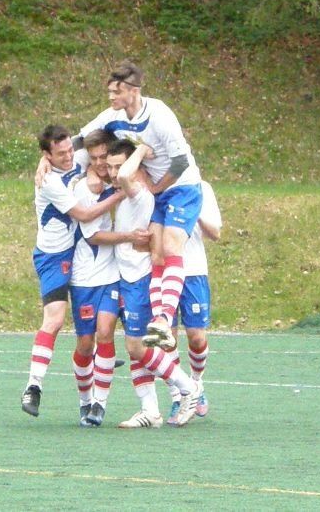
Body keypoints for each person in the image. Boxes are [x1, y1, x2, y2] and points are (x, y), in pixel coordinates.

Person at [76, 61, 202, 351]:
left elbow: (180, 162)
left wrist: (157, 188)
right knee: (156, 255)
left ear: (133, 91)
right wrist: (47, 158)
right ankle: (162, 323)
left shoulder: (159, 115)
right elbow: (81, 140)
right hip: (154, 192)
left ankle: (164, 318)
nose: (111, 97)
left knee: (170, 245)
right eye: (109, 91)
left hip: (181, 187)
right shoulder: (113, 116)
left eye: (116, 91)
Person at [21, 125, 124, 417]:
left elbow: (100, 131)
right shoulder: (48, 181)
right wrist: (119, 196)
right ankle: (33, 386)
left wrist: (93, 170)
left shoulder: (77, 155)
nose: (68, 157)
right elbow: (85, 214)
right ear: (46, 155)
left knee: (96, 330)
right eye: (60, 154)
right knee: (54, 319)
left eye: (69, 150)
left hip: (79, 254)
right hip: (53, 256)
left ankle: (100, 357)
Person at [105, 139, 202, 428]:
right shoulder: (123, 193)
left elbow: (126, 175)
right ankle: (150, 410)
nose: (114, 173)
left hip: (139, 278)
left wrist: (142, 148)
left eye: (119, 166)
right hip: (125, 277)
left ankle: (187, 388)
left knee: (136, 346)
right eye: (109, 167)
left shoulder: (138, 192)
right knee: (134, 346)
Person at [69, 129, 150, 427]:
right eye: (94, 159)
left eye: (105, 157)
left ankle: (99, 404)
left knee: (105, 332)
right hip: (83, 277)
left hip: (112, 275)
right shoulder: (84, 188)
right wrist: (129, 236)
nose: (101, 164)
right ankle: (84, 400)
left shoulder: (118, 183)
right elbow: (93, 235)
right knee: (85, 344)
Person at [163, 179, 222, 425]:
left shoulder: (201, 188)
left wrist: (191, 211)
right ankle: (178, 396)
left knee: (197, 337)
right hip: (163, 270)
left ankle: (196, 384)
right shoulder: (156, 185)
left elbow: (215, 233)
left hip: (194, 272)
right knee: (167, 338)